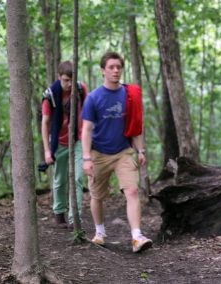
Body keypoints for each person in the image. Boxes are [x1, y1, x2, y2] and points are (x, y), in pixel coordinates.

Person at [81, 51, 152, 253]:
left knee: (132, 190)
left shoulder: (129, 94)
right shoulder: (93, 98)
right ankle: (100, 232)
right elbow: (86, 129)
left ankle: (137, 236)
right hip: (98, 153)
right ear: (103, 70)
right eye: (111, 67)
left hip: (123, 151)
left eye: (118, 67)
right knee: (97, 195)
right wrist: (86, 158)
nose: (115, 71)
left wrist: (140, 150)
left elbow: (136, 125)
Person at [41, 60, 87, 229]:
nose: (69, 84)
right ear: (59, 77)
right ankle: (59, 213)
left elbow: (88, 112)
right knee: (60, 180)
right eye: (65, 80)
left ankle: (75, 217)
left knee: (77, 178)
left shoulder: (81, 89)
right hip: (58, 142)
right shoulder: (50, 95)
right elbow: (45, 123)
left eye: (71, 80)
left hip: (77, 140)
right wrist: (47, 151)